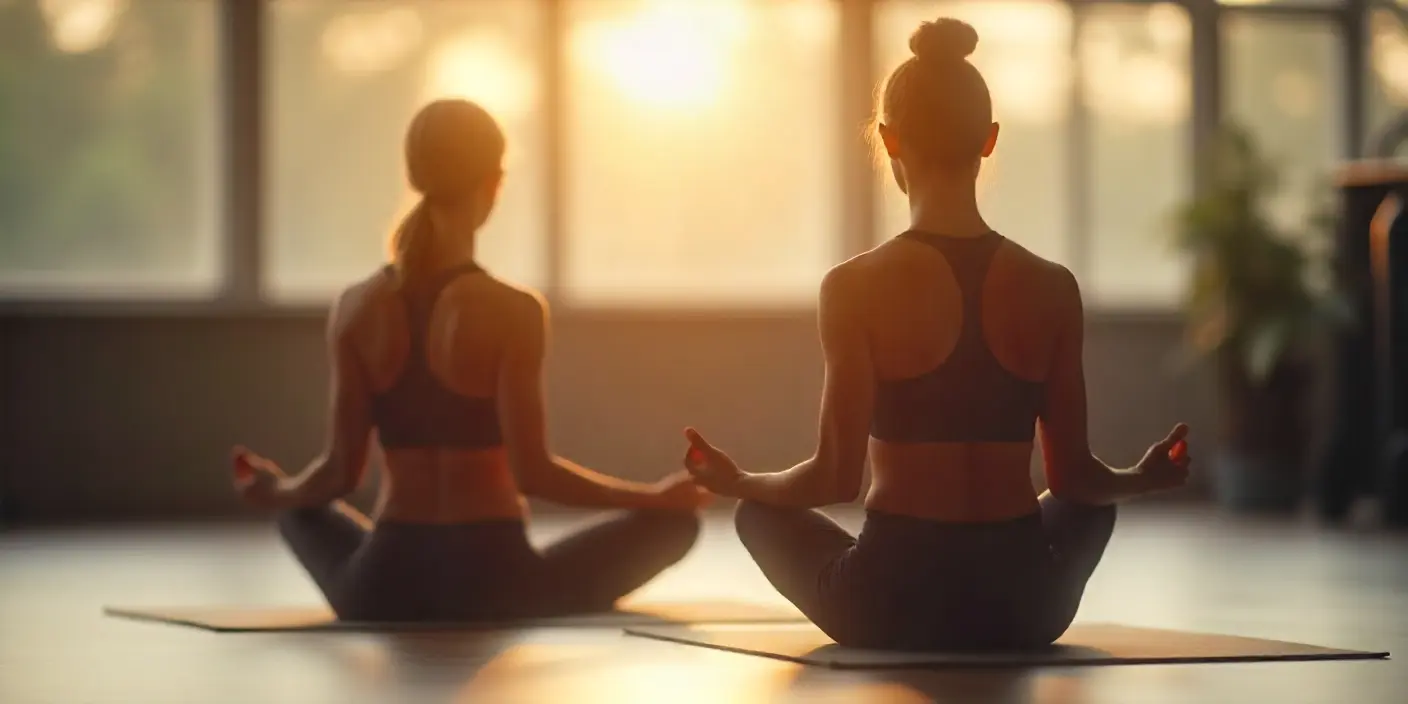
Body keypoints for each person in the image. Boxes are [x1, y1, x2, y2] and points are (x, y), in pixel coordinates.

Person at [681, 18, 1191, 651]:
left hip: (890, 604)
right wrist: (1141, 478)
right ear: (990, 140)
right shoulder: (1053, 286)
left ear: (891, 140)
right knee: (1092, 503)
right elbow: (1076, 479)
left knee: (759, 514)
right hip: (1025, 606)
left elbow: (834, 480)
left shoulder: (853, 286)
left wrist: (740, 483)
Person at [231, 99, 709, 623]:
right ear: (493, 182)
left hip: (382, 584)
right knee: (676, 524)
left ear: (416, 177)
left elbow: (339, 474)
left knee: (295, 513)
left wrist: (278, 489)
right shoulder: (514, 311)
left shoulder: (355, 307)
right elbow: (535, 475)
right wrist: (653, 499)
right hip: (500, 584)